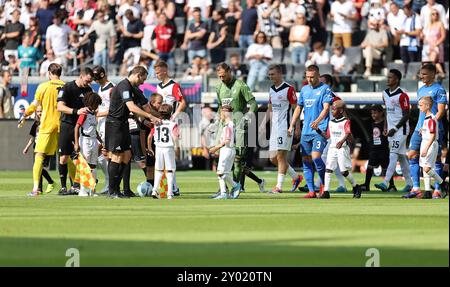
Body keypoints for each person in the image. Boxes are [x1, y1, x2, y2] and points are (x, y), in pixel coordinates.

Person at [105, 66, 161, 199]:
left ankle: (120, 190)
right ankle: (112, 191)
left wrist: (143, 120)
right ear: (138, 75)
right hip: (115, 124)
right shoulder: (124, 86)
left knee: (127, 155)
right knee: (117, 157)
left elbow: (144, 106)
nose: (143, 82)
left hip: (123, 124)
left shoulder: (133, 88)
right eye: (143, 79)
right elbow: (131, 107)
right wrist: (151, 117)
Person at [18, 64, 64, 196]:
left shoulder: (43, 87)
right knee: (67, 156)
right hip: (62, 125)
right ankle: (76, 186)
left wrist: (25, 115)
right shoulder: (66, 86)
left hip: (47, 125)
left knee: (39, 155)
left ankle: (36, 189)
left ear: (49, 73)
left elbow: (34, 105)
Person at [288, 64, 332, 198]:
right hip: (306, 131)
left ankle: (324, 186)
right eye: (307, 77)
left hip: (319, 130)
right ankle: (312, 191)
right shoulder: (305, 90)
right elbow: (298, 108)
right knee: (306, 161)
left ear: (318, 76)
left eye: (312, 77)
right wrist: (292, 125)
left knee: (316, 157)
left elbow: (326, 108)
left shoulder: (325, 89)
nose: (309, 79)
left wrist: (318, 121)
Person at [405, 63, 447, 199]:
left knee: (435, 160)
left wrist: (431, 124)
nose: (421, 76)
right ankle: (417, 187)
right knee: (412, 155)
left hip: (432, 129)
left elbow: (441, 111)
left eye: (424, 74)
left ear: (433, 74)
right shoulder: (420, 90)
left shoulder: (439, 89)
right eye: (420, 74)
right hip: (419, 128)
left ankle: (438, 189)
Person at [215, 62, 258, 191]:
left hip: (239, 126)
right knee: (222, 157)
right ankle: (224, 188)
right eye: (220, 77)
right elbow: (219, 106)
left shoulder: (240, 85)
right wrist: (218, 120)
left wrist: (248, 117)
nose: (222, 79)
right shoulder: (219, 88)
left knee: (237, 158)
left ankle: (235, 187)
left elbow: (253, 103)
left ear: (229, 71)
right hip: (224, 126)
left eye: (223, 76)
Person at [56, 67, 94, 196]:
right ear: (81, 75)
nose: (88, 83)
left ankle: (77, 186)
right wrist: (76, 111)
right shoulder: (67, 87)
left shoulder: (88, 90)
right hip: (67, 124)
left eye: (90, 81)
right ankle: (63, 186)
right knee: (64, 157)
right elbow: (60, 106)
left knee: (80, 157)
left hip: (82, 126)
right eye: (87, 80)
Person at [374, 69, 413, 193]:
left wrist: (395, 128)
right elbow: (387, 111)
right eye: (388, 77)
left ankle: (385, 182)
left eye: (390, 77)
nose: (388, 79)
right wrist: (386, 127)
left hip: (401, 130)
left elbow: (407, 115)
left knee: (393, 154)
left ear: (396, 79)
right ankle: (410, 183)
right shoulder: (385, 93)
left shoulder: (402, 95)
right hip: (391, 130)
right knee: (401, 157)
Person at [313, 100, 361, 199]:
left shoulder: (346, 121)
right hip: (332, 148)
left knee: (343, 171)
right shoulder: (331, 122)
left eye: (334, 109)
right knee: (328, 169)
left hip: (342, 148)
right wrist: (317, 129)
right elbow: (327, 136)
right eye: (332, 109)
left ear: (341, 110)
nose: (332, 111)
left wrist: (341, 141)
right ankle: (326, 191)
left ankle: (356, 186)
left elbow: (347, 133)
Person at [266, 64, 303, 194]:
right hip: (274, 128)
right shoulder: (271, 89)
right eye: (269, 74)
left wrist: (297, 127)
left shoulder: (289, 89)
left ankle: (279, 187)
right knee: (272, 158)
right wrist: (261, 125)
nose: (271, 77)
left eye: (273, 74)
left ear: (280, 74)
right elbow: (270, 109)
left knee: (281, 156)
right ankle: (295, 177)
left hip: (285, 127)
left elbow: (296, 109)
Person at [154, 60, 187, 195]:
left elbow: (182, 102)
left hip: (170, 122)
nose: (156, 75)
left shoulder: (173, 85)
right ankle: (173, 187)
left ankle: (172, 187)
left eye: (158, 72)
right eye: (155, 72)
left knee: (169, 156)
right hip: (162, 121)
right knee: (165, 157)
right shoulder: (158, 86)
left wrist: (175, 116)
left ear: (164, 70)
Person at [415, 96, 448, 199]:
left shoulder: (431, 119)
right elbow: (428, 132)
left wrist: (426, 148)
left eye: (421, 105)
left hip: (430, 144)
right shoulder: (426, 118)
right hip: (425, 143)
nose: (419, 107)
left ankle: (443, 184)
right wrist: (422, 131)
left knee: (427, 168)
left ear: (427, 106)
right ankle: (428, 191)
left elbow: (433, 135)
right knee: (424, 168)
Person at [209, 105, 241, 199]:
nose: (220, 114)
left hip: (227, 150)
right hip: (228, 150)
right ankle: (230, 189)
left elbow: (227, 140)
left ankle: (228, 190)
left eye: (221, 112)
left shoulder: (228, 125)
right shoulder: (228, 124)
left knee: (220, 172)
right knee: (223, 173)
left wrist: (215, 148)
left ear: (226, 113)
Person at [361, 104, 396, 192]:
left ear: (381, 113)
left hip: (383, 149)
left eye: (375, 113)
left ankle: (391, 185)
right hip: (374, 149)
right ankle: (366, 185)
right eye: (372, 113)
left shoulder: (385, 124)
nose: (373, 115)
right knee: (370, 167)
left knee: (387, 168)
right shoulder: (372, 124)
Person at [74, 92, 103, 197]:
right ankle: (83, 190)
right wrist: (77, 143)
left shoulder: (93, 114)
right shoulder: (84, 114)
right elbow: (76, 127)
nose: (97, 106)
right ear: (92, 102)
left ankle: (92, 190)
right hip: (85, 140)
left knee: (93, 166)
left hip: (94, 140)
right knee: (84, 165)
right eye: (97, 104)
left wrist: (101, 141)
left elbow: (94, 130)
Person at [22, 106, 55, 195]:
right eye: (38, 111)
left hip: (46, 147)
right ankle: (39, 188)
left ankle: (50, 182)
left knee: (40, 167)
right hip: (37, 148)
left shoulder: (48, 122)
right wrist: (26, 148)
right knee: (37, 167)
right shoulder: (36, 124)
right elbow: (33, 138)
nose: (40, 113)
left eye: (41, 111)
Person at [149, 104, 179, 199]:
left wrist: (149, 148)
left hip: (158, 148)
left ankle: (154, 190)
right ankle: (170, 193)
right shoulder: (173, 124)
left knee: (159, 170)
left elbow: (150, 137)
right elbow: (175, 138)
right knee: (170, 170)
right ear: (170, 113)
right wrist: (177, 148)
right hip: (168, 148)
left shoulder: (157, 123)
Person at [92, 65, 114, 195]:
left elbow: (114, 108)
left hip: (108, 124)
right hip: (101, 124)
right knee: (100, 153)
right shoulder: (100, 88)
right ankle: (109, 181)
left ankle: (110, 182)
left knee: (104, 152)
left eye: (96, 77)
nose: (95, 80)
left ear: (102, 74)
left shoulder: (112, 88)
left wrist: (98, 114)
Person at [397, 3, 421, 76]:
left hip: (413, 44)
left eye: (406, 12)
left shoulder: (416, 17)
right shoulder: (403, 18)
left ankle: (413, 76)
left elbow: (418, 31)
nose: (405, 13)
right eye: (404, 12)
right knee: (404, 61)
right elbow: (400, 28)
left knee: (412, 61)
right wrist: (399, 32)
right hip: (403, 43)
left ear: (410, 10)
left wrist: (407, 33)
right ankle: (405, 75)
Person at [421, 8, 446, 79]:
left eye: (437, 14)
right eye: (433, 14)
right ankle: (441, 73)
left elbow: (443, 36)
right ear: (430, 15)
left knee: (431, 61)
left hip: (436, 46)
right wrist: (423, 37)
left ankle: (436, 74)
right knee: (429, 62)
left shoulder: (440, 24)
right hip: (427, 46)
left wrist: (436, 44)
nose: (435, 15)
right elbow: (425, 36)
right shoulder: (428, 25)